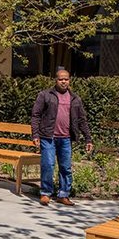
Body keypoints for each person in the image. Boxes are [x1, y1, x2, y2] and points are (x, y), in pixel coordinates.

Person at [31, 69, 93, 206]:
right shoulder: (45, 95)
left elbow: (82, 120)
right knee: (48, 165)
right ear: (56, 80)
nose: (64, 81)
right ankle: (46, 193)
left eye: (66, 79)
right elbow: (36, 115)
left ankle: (63, 195)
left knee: (65, 167)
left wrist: (88, 138)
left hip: (66, 138)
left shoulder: (75, 98)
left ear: (69, 80)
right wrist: (35, 134)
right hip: (48, 137)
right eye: (61, 79)